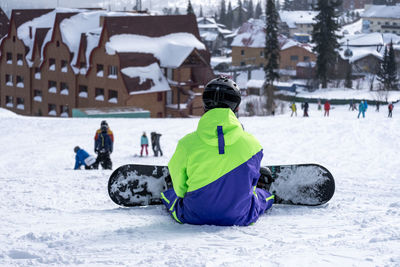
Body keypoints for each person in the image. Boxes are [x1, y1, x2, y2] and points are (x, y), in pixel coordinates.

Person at [160, 77, 274, 226]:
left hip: (193, 215)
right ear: (237, 108)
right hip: (240, 216)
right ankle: (265, 189)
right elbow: (250, 188)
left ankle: (169, 186)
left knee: (171, 195)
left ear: (204, 105)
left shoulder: (186, 144)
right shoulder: (253, 145)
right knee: (263, 197)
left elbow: (181, 191)